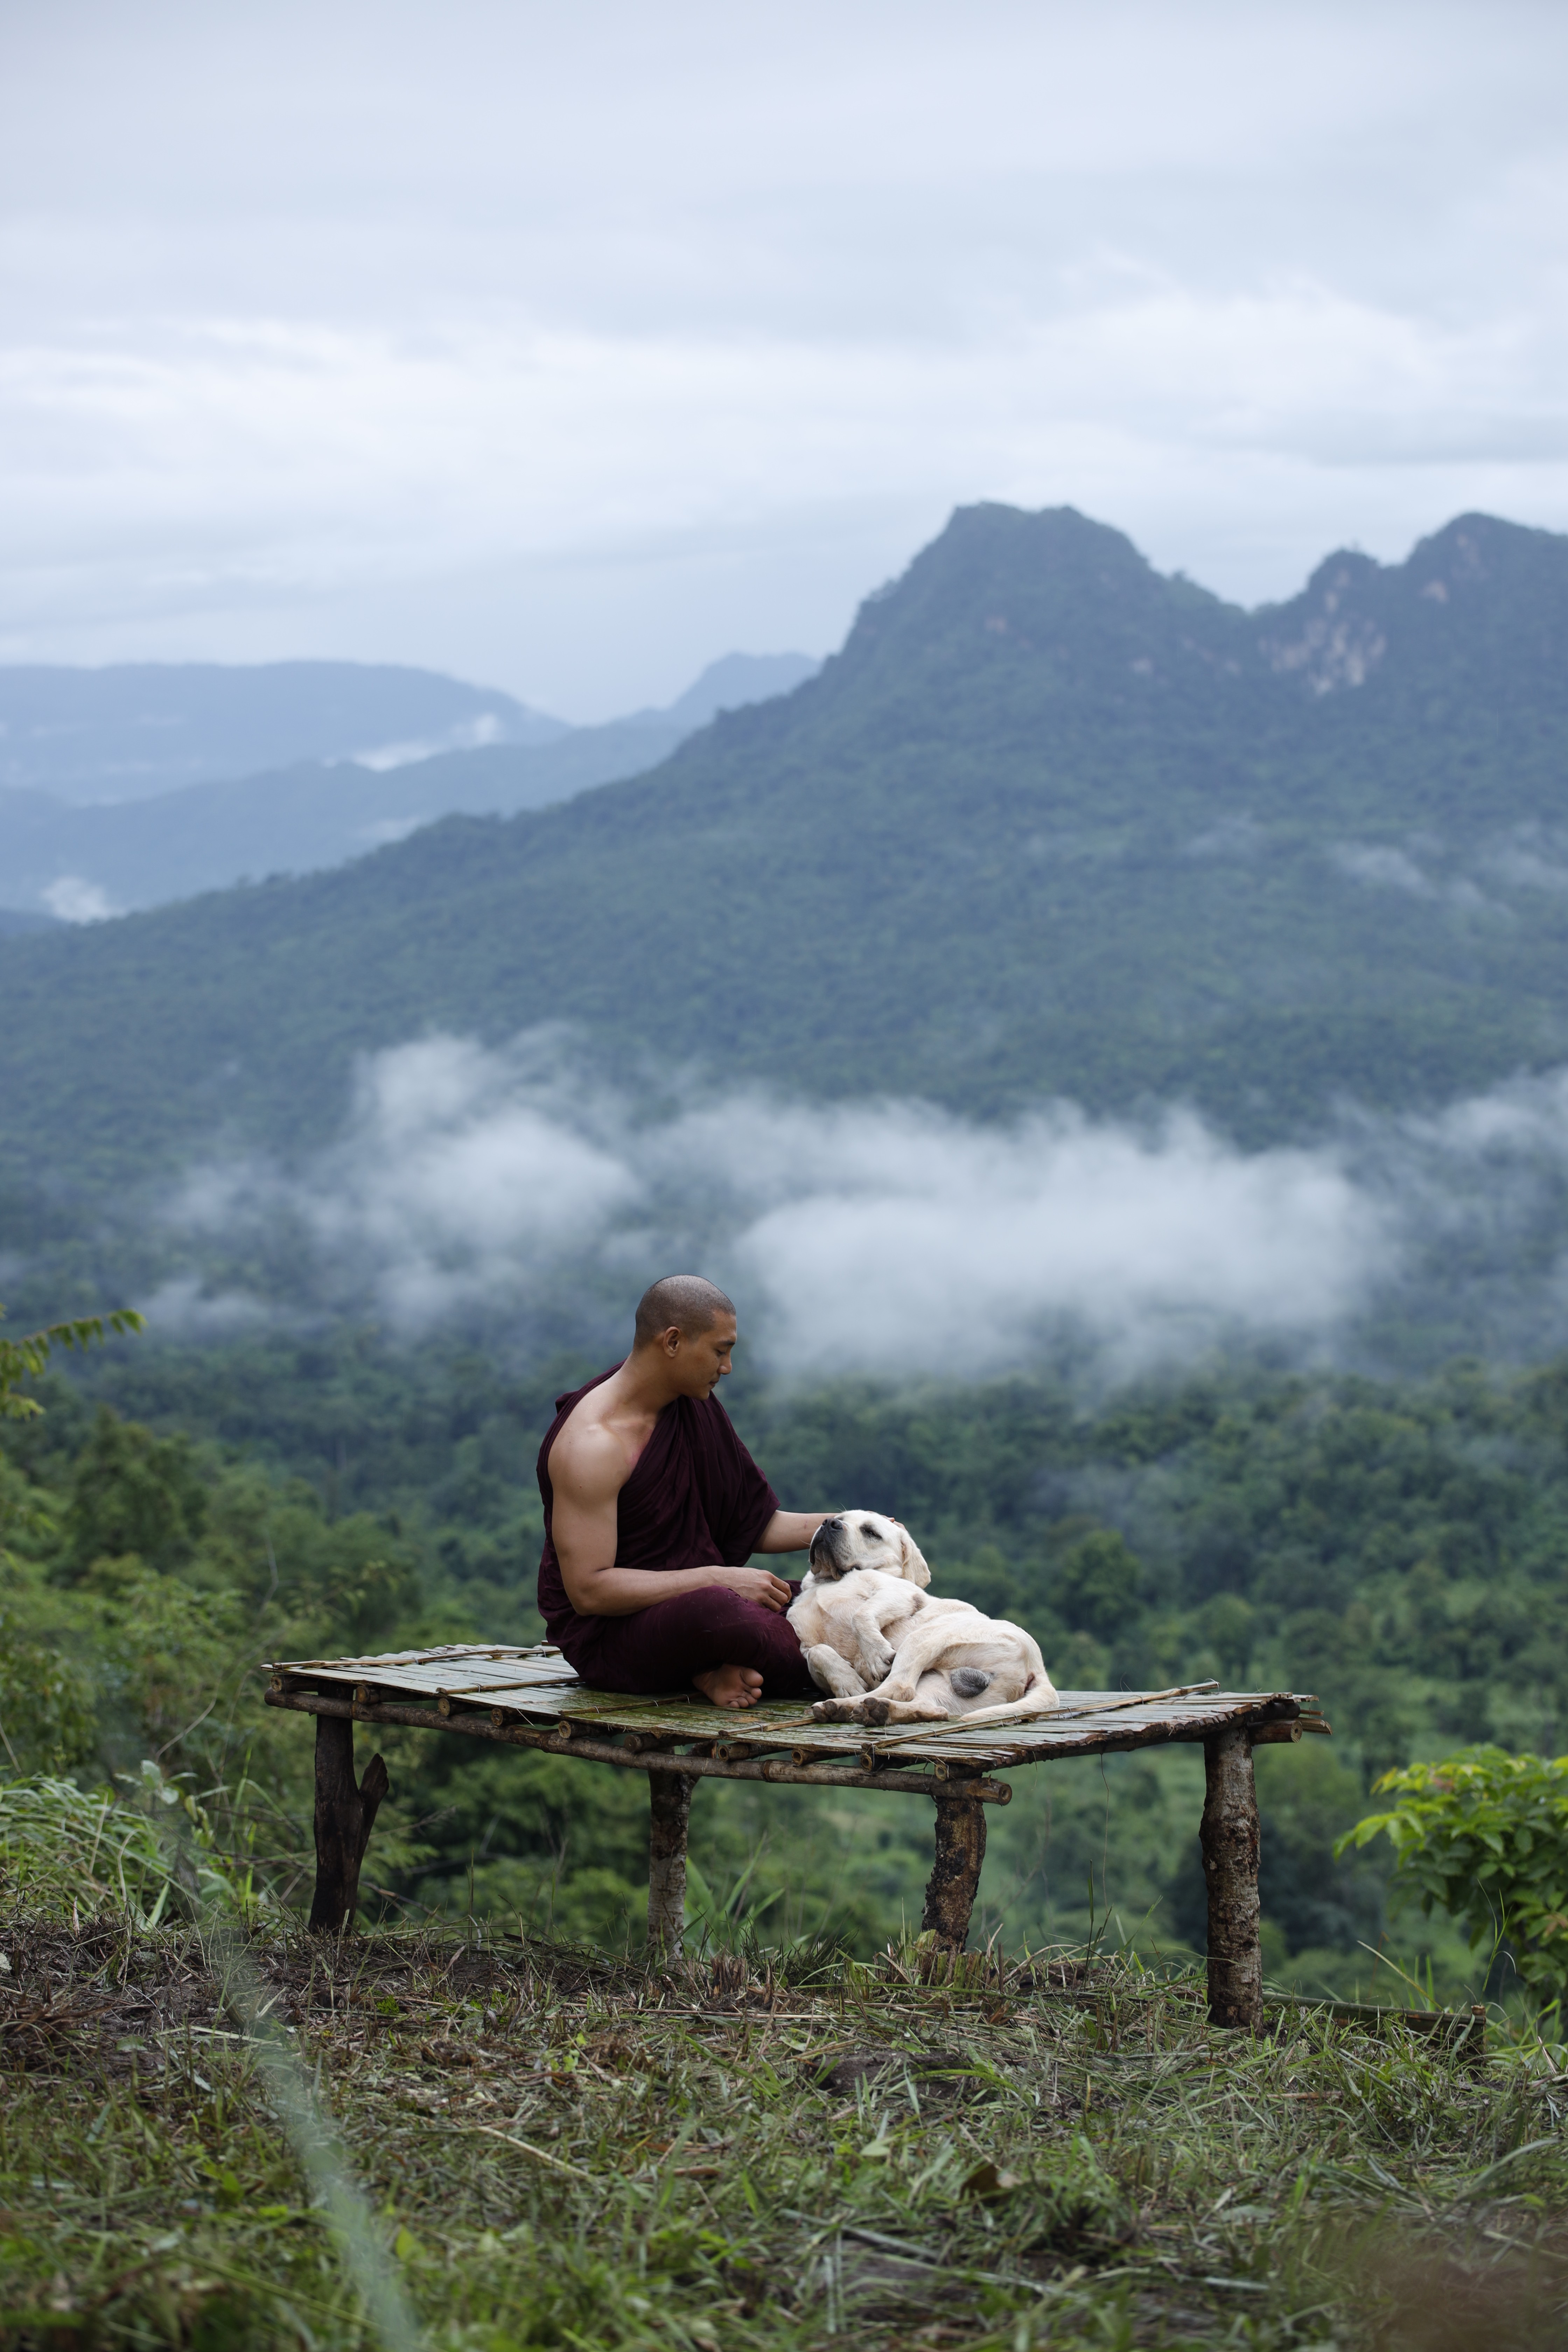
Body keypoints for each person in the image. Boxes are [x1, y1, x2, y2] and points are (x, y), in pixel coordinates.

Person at [536, 1275, 836, 1709]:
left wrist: (850, 1527)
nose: (727, 1367)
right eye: (720, 1350)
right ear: (673, 1341)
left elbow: (754, 1524)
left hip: (697, 1608)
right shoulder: (593, 1446)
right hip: (612, 1635)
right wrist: (719, 1577)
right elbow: (589, 1592)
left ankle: (713, 1671)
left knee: (835, 1599)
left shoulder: (692, 1406)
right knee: (724, 1612)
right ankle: (723, 1665)